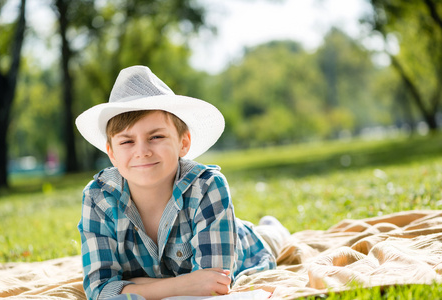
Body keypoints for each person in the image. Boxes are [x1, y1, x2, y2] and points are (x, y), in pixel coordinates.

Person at [75, 66, 290, 300]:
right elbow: (99, 290)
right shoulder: (98, 198)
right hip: (197, 253)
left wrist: (131, 286)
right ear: (112, 153)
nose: (142, 151)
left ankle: (273, 229)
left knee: (271, 238)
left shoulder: (207, 186)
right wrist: (181, 286)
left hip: (244, 244)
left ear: (183, 142)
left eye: (156, 137)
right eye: (127, 141)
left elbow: (213, 283)